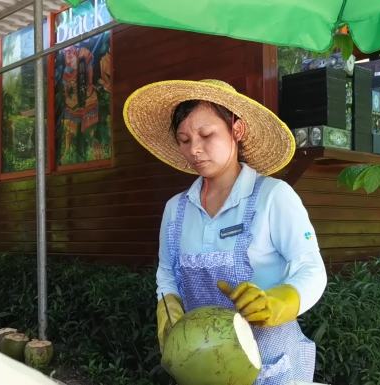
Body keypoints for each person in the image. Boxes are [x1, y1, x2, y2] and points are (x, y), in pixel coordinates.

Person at [123, 79, 327, 384]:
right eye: (183, 139)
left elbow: (311, 268)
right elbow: (167, 273)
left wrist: (282, 301)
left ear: (237, 130)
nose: (194, 149)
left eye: (207, 134)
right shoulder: (175, 210)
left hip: (270, 362)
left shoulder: (273, 197)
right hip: (202, 364)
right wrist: (169, 304)